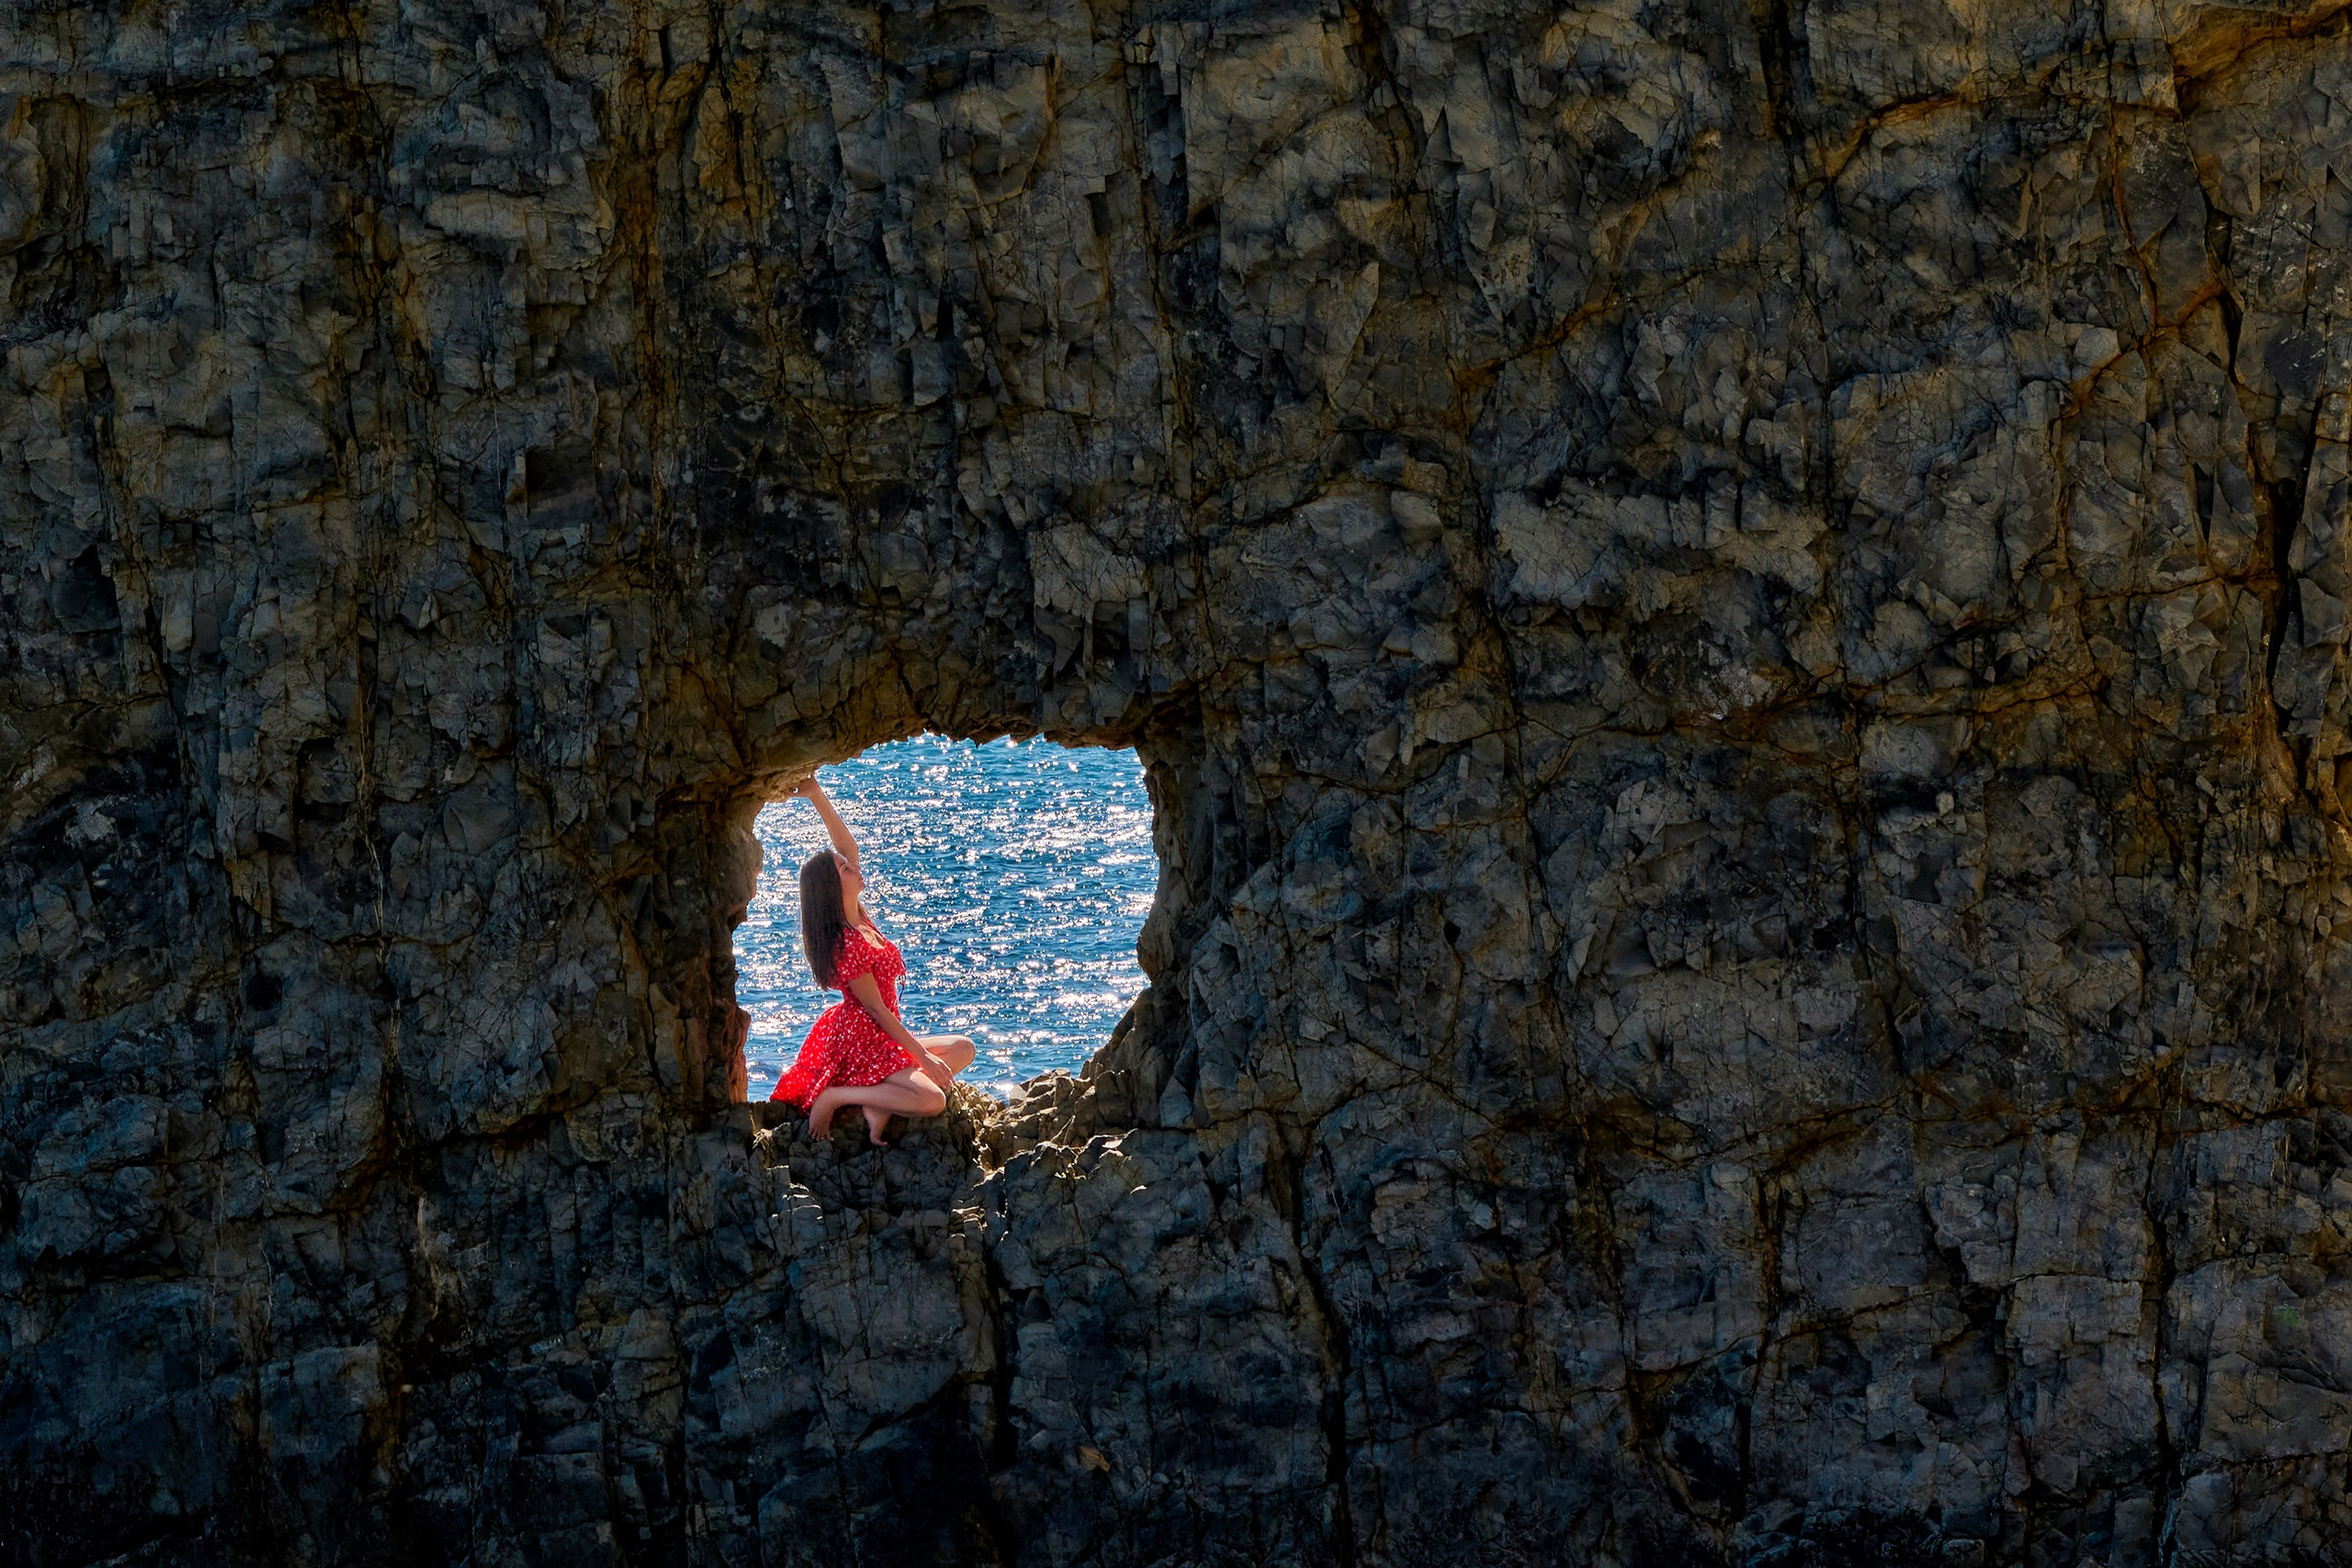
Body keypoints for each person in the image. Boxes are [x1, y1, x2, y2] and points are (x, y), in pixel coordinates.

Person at [766, 773, 975, 1144]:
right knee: (932, 1098)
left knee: (963, 1049)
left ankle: (882, 1102)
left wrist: (816, 796)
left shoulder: (858, 917)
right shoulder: (845, 943)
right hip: (863, 1040)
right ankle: (840, 1096)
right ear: (834, 886)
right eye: (845, 870)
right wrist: (922, 1059)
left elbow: (847, 845)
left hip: (881, 1037)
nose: (854, 868)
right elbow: (876, 1010)